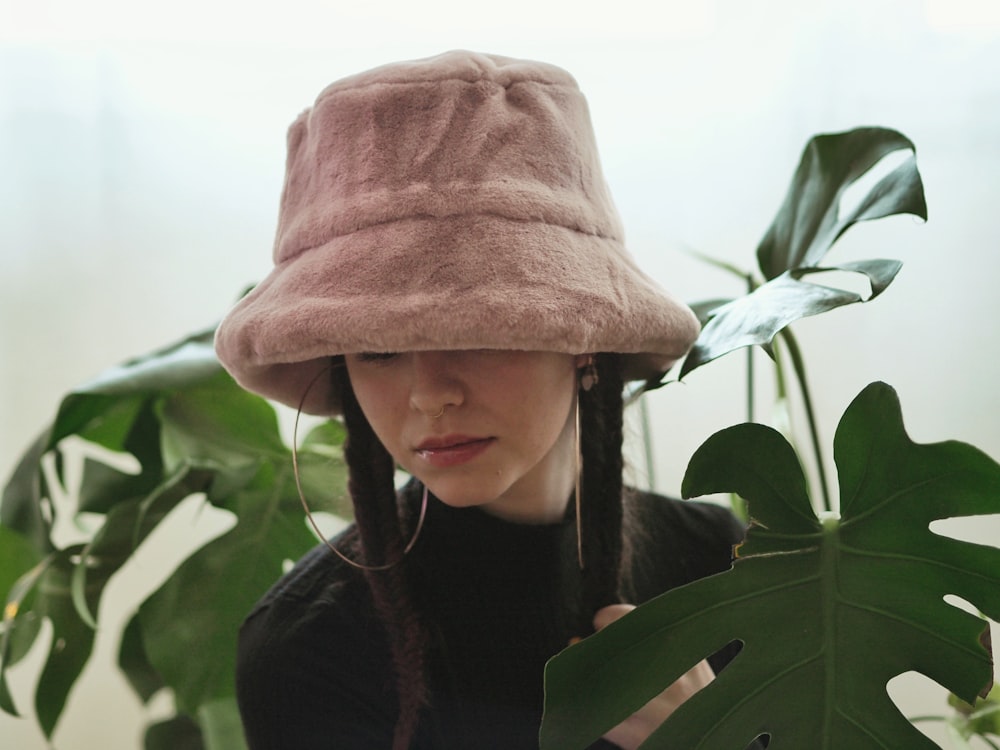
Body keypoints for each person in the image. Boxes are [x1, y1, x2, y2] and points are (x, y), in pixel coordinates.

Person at [215, 50, 750, 750]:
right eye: (378, 349)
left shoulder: (723, 566)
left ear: (584, 339)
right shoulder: (312, 649)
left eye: (481, 330)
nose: (430, 394)